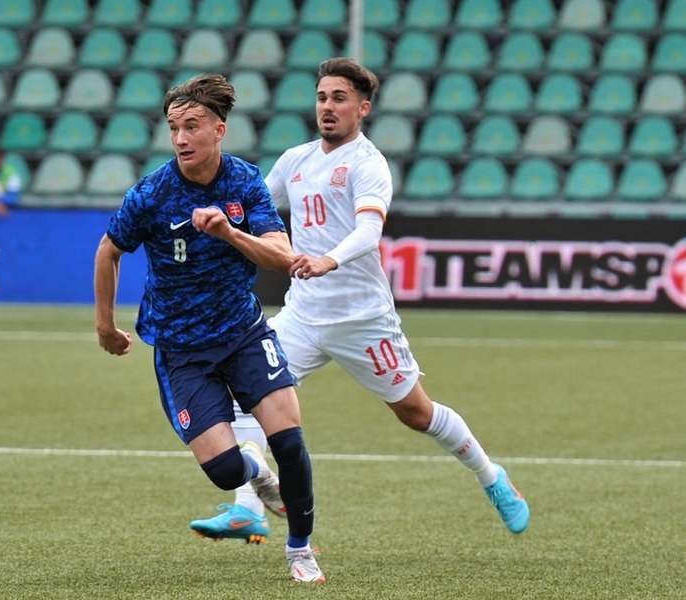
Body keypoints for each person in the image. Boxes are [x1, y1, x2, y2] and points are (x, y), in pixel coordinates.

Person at [190, 58, 530, 542]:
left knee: (416, 413)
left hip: (362, 320)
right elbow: (250, 212)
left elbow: (370, 231)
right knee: (245, 398)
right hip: (304, 314)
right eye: (322, 97)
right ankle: (249, 508)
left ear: (363, 108)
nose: (328, 107)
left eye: (340, 98)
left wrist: (328, 258)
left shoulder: (369, 165)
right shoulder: (295, 160)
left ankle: (491, 476)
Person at [93, 74, 325, 584]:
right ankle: (255, 475)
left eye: (192, 126)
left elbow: (283, 256)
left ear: (219, 130)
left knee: (289, 439)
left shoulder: (244, 183)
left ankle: (301, 551)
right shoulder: (151, 193)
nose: (180, 138)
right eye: (174, 128)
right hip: (181, 351)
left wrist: (229, 231)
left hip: (243, 333)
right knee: (224, 471)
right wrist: (106, 326)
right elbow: (109, 250)